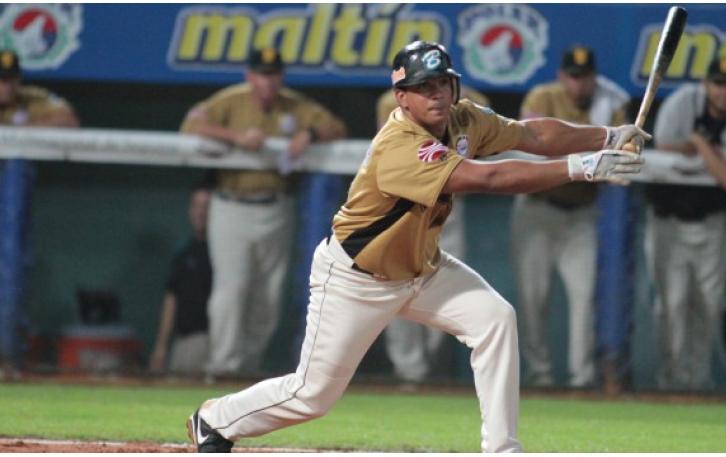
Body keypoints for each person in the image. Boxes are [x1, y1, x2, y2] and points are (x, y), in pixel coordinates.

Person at [186, 40, 646, 453]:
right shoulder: (400, 145)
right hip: (356, 278)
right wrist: (582, 166)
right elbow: (489, 177)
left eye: (443, 83)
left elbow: (534, 134)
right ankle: (215, 419)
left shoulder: (463, 118)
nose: (437, 94)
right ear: (401, 97)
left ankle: (503, 450)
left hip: (422, 270)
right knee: (313, 395)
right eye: (424, 87)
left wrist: (606, 136)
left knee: (495, 318)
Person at [179, 48, 346, 379]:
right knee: (231, 288)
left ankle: (247, 366)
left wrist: (308, 134)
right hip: (232, 204)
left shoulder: (295, 106)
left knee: (268, 295)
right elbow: (190, 126)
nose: (267, 82)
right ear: (249, 75)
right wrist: (237, 137)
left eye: (273, 75)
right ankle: (223, 366)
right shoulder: (231, 100)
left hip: (277, 205)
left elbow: (336, 128)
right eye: (261, 74)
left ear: (281, 77)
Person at [511, 45, 631, 389]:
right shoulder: (542, 96)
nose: (580, 84)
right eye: (573, 77)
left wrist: (581, 147)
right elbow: (534, 146)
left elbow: (620, 153)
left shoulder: (613, 101)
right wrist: (590, 147)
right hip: (536, 211)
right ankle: (540, 375)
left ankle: (582, 378)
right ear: (563, 76)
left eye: (586, 77)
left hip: (580, 215)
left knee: (584, 296)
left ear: (594, 77)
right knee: (533, 297)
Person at [645, 57, 726, 392]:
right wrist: (714, 154)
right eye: (717, 83)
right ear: (706, 84)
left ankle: (696, 381)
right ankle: (671, 379)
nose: (723, 91)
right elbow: (665, 144)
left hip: (711, 224)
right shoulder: (683, 102)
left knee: (708, 305)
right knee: (671, 304)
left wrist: (698, 143)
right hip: (667, 220)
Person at [375, 85, 492, 388]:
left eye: (442, 78)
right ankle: (409, 371)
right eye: (427, 80)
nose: (435, 88)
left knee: (448, 295)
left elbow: (485, 140)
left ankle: (429, 368)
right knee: (397, 295)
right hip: (405, 212)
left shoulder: (471, 102)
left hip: (448, 209)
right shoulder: (392, 103)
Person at [0, 49, 79, 380]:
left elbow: (69, 121)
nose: (6, 87)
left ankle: (6, 358)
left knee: (10, 270)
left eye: (11, 80)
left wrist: (21, 128)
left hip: (12, 195)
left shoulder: (30, 100)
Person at [149, 187, 213, 375]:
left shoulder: (221, 253)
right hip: (182, 340)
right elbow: (171, 298)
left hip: (208, 340)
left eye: (207, 207)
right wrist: (161, 346)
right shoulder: (184, 252)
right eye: (196, 206)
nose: (201, 213)